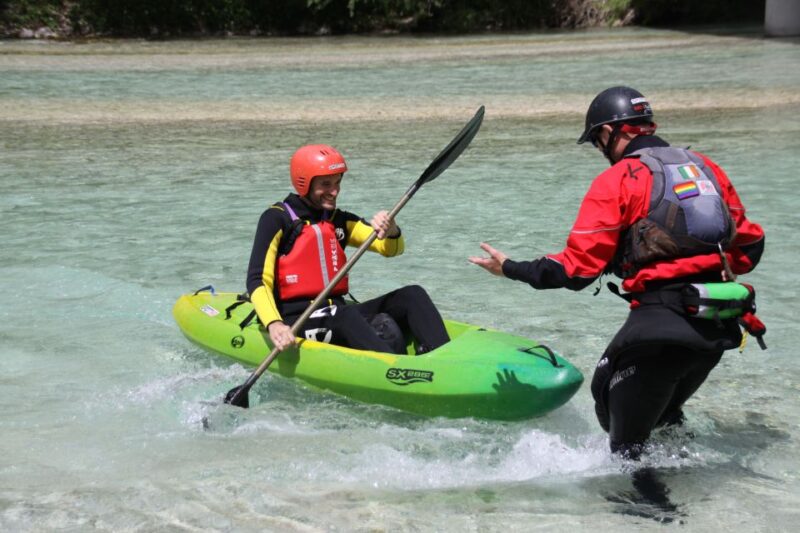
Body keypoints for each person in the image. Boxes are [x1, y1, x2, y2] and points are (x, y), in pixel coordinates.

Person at [469, 86, 765, 458]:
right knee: (666, 420)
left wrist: (511, 268)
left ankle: (644, 512)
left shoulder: (619, 179)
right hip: (715, 327)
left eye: (597, 141)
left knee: (618, 431)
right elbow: (750, 247)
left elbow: (575, 272)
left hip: (660, 328)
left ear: (610, 133)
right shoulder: (705, 167)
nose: (599, 152)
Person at [246, 143, 450, 356]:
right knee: (344, 316)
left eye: (337, 183)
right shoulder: (277, 219)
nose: (334, 191)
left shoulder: (339, 220)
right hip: (297, 319)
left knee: (412, 295)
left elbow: (389, 249)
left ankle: (442, 357)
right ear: (303, 183)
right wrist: (274, 324)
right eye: (326, 184)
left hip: (337, 312)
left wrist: (391, 230)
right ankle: (394, 370)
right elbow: (257, 280)